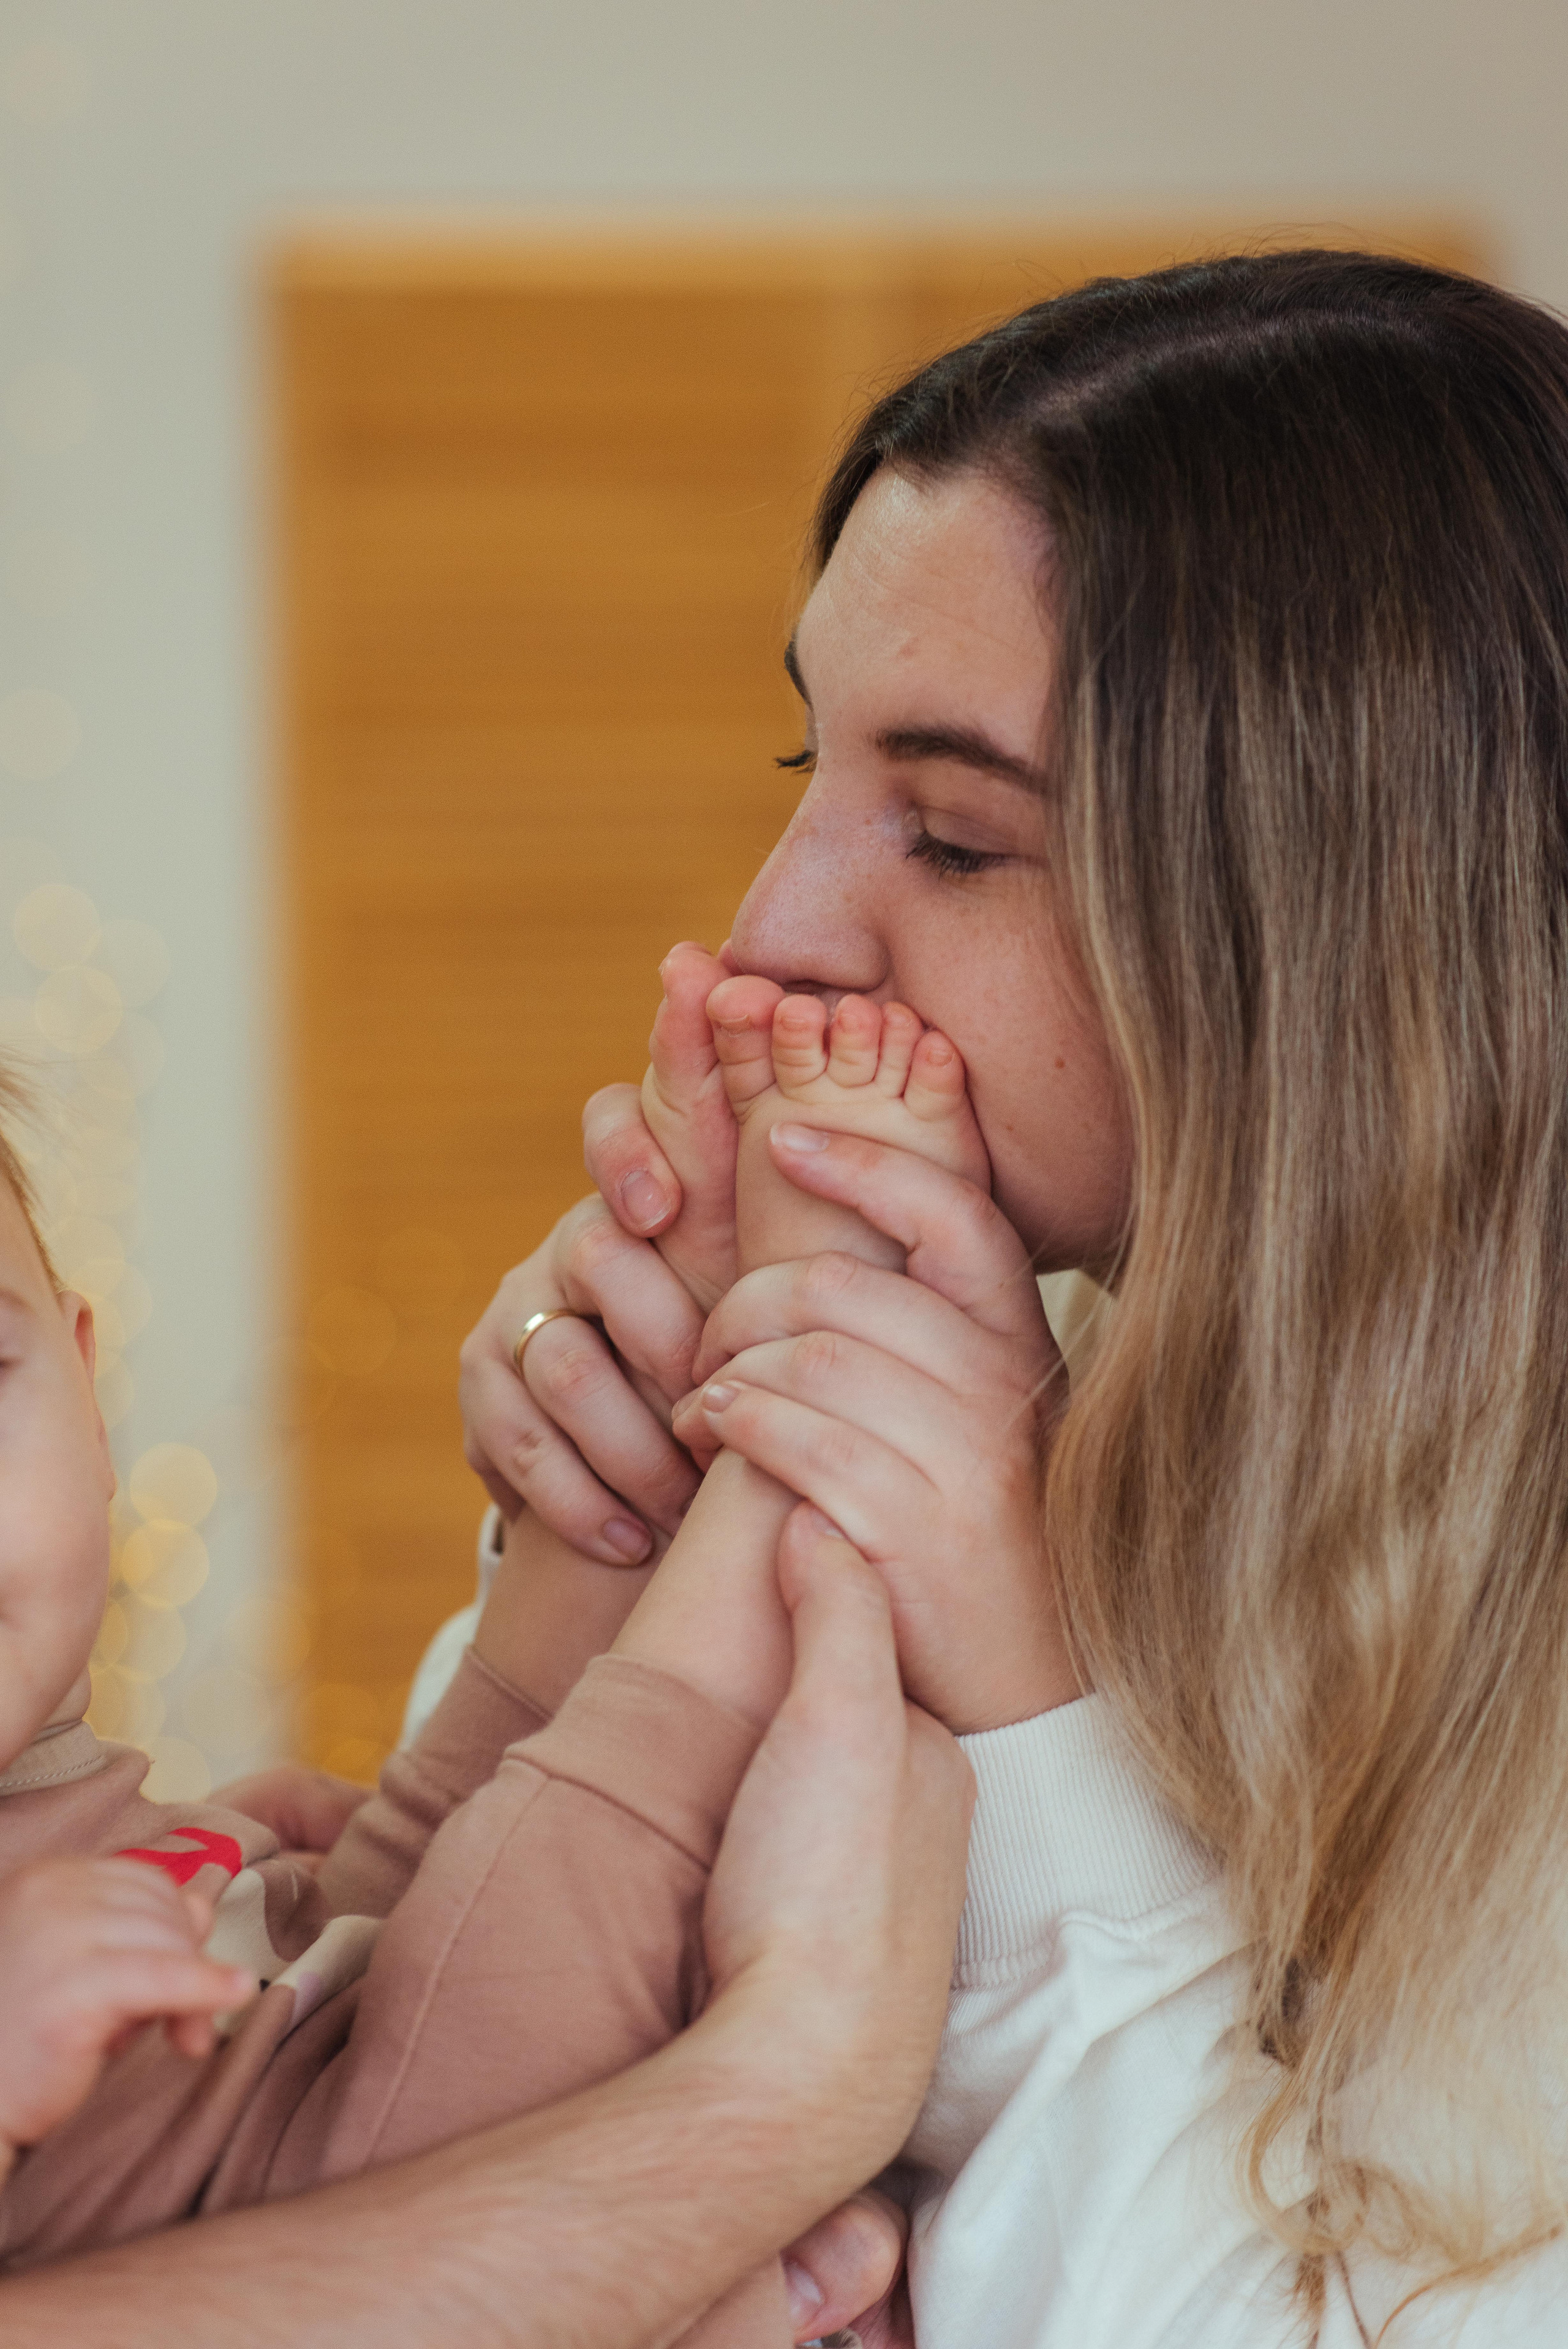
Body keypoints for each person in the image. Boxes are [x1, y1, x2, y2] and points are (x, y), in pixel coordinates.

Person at [456, 251, 1568, 2343]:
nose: (780, 930)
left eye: (956, 837)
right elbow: (449, 2134)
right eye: (812, 773)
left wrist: (1028, 1704)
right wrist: (598, 1547)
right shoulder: (1001, 1361)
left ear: (1333, 917)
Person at [0, 1070, 973, 2345]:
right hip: (363, 2221)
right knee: (532, 1917)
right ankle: (801, 1417)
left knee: (428, 1852)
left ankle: (666, 1361)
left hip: (319, 2080)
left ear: (85, 1393)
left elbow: (364, 1957)